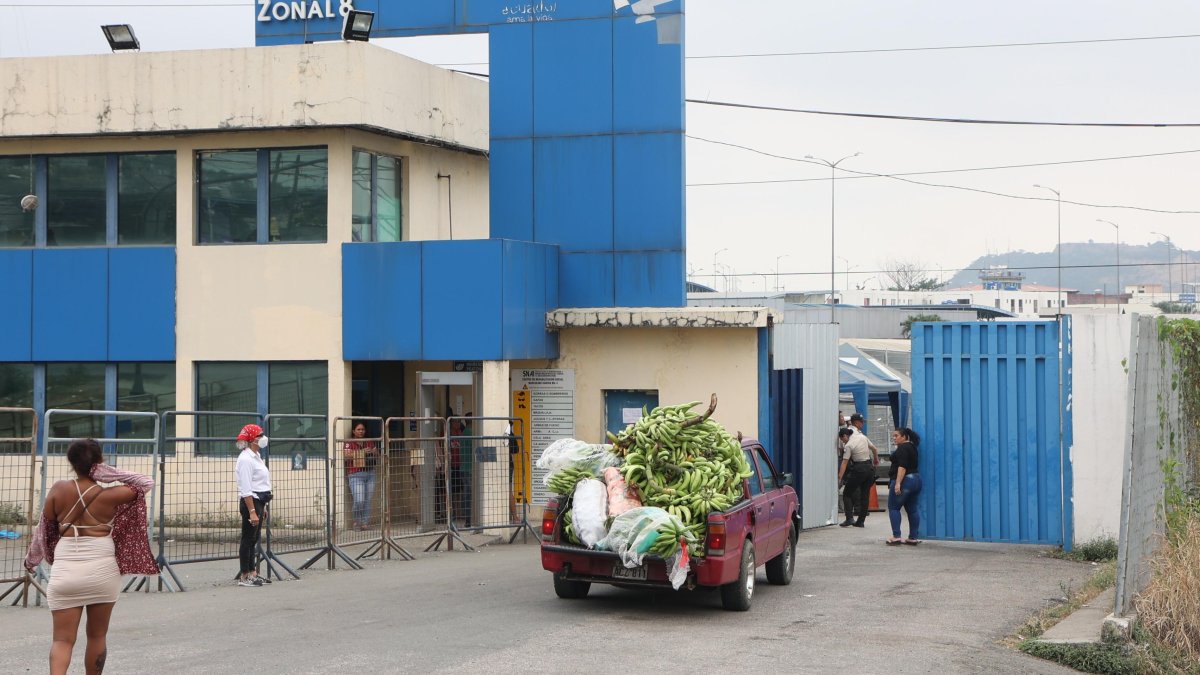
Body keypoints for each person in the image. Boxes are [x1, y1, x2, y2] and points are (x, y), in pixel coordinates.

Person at [23, 438, 158, 675]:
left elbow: (42, 530)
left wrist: (31, 560)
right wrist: (106, 473)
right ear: (99, 463)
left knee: (62, 641)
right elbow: (145, 482)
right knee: (97, 635)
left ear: (71, 462)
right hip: (102, 571)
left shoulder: (58, 490)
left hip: (66, 572)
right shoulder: (111, 495)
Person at [235, 423, 272, 586]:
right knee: (248, 539)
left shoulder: (255, 456)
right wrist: (252, 511)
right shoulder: (245, 459)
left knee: (254, 538)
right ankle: (244, 575)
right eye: (260, 435)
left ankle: (253, 572)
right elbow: (246, 489)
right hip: (251, 501)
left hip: (259, 501)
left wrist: (261, 509)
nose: (263, 438)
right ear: (252, 440)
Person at [886, 427, 923, 546]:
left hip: (905, 480)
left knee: (894, 508)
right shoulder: (913, 447)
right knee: (912, 509)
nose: (894, 438)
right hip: (916, 479)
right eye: (894, 436)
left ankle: (896, 536)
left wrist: (897, 483)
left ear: (904, 436)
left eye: (896, 436)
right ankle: (913, 537)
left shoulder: (902, 448)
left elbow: (902, 466)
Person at [344, 422, 380, 531]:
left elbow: (378, 455)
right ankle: (357, 522)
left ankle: (365, 523)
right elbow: (346, 456)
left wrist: (374, 452)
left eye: (363, 429)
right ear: (354, 431)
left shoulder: (369, 441)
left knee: (368, 500)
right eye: (358, 429)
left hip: (370, 473)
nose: (361, 431)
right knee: (359, 500)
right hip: (355, 474)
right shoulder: (349, 442)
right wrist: (362, 452)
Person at [837, 428, 874, 528]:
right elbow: (874, 448)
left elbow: (844, 463)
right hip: (869, 468)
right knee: (865, 495)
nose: (843, 442)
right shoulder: (863, 437)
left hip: (859, 469)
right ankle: (860, 521)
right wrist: (876, 460)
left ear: (845, 436)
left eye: (842, 439)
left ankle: (849, 518)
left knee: (847, 493)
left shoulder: (849, 445)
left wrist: (840, 478)